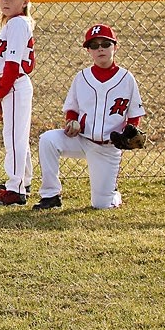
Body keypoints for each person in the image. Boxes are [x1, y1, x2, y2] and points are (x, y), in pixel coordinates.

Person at [33, 24, 145, 210]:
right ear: (88, 51)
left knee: (101, 205)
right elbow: (72, 110)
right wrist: (71, 123)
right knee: (48, 140)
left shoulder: (127, 78)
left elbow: (134, 115)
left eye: (105, 43)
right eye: (94, 45)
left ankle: (113, 194)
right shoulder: (82, 77)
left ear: (115, 47)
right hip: (81, 139)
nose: (100, 48)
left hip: (108, 148)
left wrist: (130, 131)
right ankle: (51, 195)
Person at [0, 0, 36, 206]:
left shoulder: (17, 23)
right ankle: (22, 182)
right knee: (18, 137)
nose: (5, 1)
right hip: (11, 85)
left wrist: (1, 92)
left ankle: (15, 190)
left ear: (24, 2)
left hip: (13, 84)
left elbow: (12, 65)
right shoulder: (12, 23)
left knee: (14, 139)